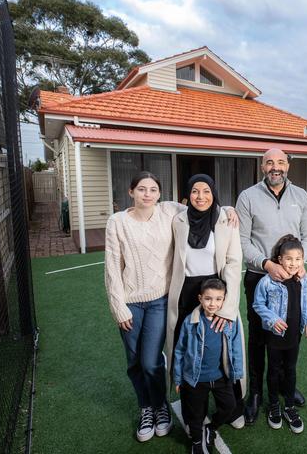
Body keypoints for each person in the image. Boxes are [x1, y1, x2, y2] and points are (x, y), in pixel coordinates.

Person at [236, 148, 307, 424]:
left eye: (280, 162)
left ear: (288, 166)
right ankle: (256, 393)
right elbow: (242, 241)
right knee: (259, 336)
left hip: (293, 276)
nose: (275, 166)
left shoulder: (301, 196)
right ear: (262, 166)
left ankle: (284, 386)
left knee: (289, 332)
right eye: (269, 162)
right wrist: (268, 265)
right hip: (260, 276)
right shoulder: (247, 197)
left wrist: (298, 263)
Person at [165, 174, 246, 429]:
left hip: (216, 290)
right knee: (188, 349)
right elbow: (157, 203)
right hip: (187, 292)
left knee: (224, 344)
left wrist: (229, 308)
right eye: (196, 191)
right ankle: (193, 414)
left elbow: (234, 263)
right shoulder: (177, 218)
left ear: (214, 193)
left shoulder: (225, 219)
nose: (201, 196)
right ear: (188, 194)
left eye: (207, 191)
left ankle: (232, 408)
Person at [104, 171, 180, 442]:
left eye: (153, 189)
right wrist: (118, 307)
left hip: (160, 300)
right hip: (130, 302)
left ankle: (161, 406)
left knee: (151, 361)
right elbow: (112, 267)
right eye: (142, 189)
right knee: (134, 362)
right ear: (131, 192)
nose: (147, 194)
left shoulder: (169, 210)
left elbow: (202, 204)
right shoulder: (117, 222)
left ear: (160, 193)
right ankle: (147, 408)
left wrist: (228, 209)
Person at [252, 235, 307, 434]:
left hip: (294, 336)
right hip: (274, 337)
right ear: (280, 260)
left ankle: (289, 406)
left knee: (290, 370)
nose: (293, 263)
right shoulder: (267, 282)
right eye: (289, 259)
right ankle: (273, 405)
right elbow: (258, 304)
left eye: (298, 259)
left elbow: (304, 305)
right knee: (273, 371)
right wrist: (272, 319)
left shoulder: (303, 279)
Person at [173, 278, 244, 454]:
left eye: (218, 299)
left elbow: (236, 347)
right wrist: (177, 378)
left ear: (224, 299)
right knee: (195, 414)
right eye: (208, 298)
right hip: (196, 379)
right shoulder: (190, 321)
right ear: (200, 298)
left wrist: (238, 371)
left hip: (221, 377)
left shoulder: (229, 321)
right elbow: (180, 351)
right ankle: (197, 441)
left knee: (229, 406)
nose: (213, 304)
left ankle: (211, 428)